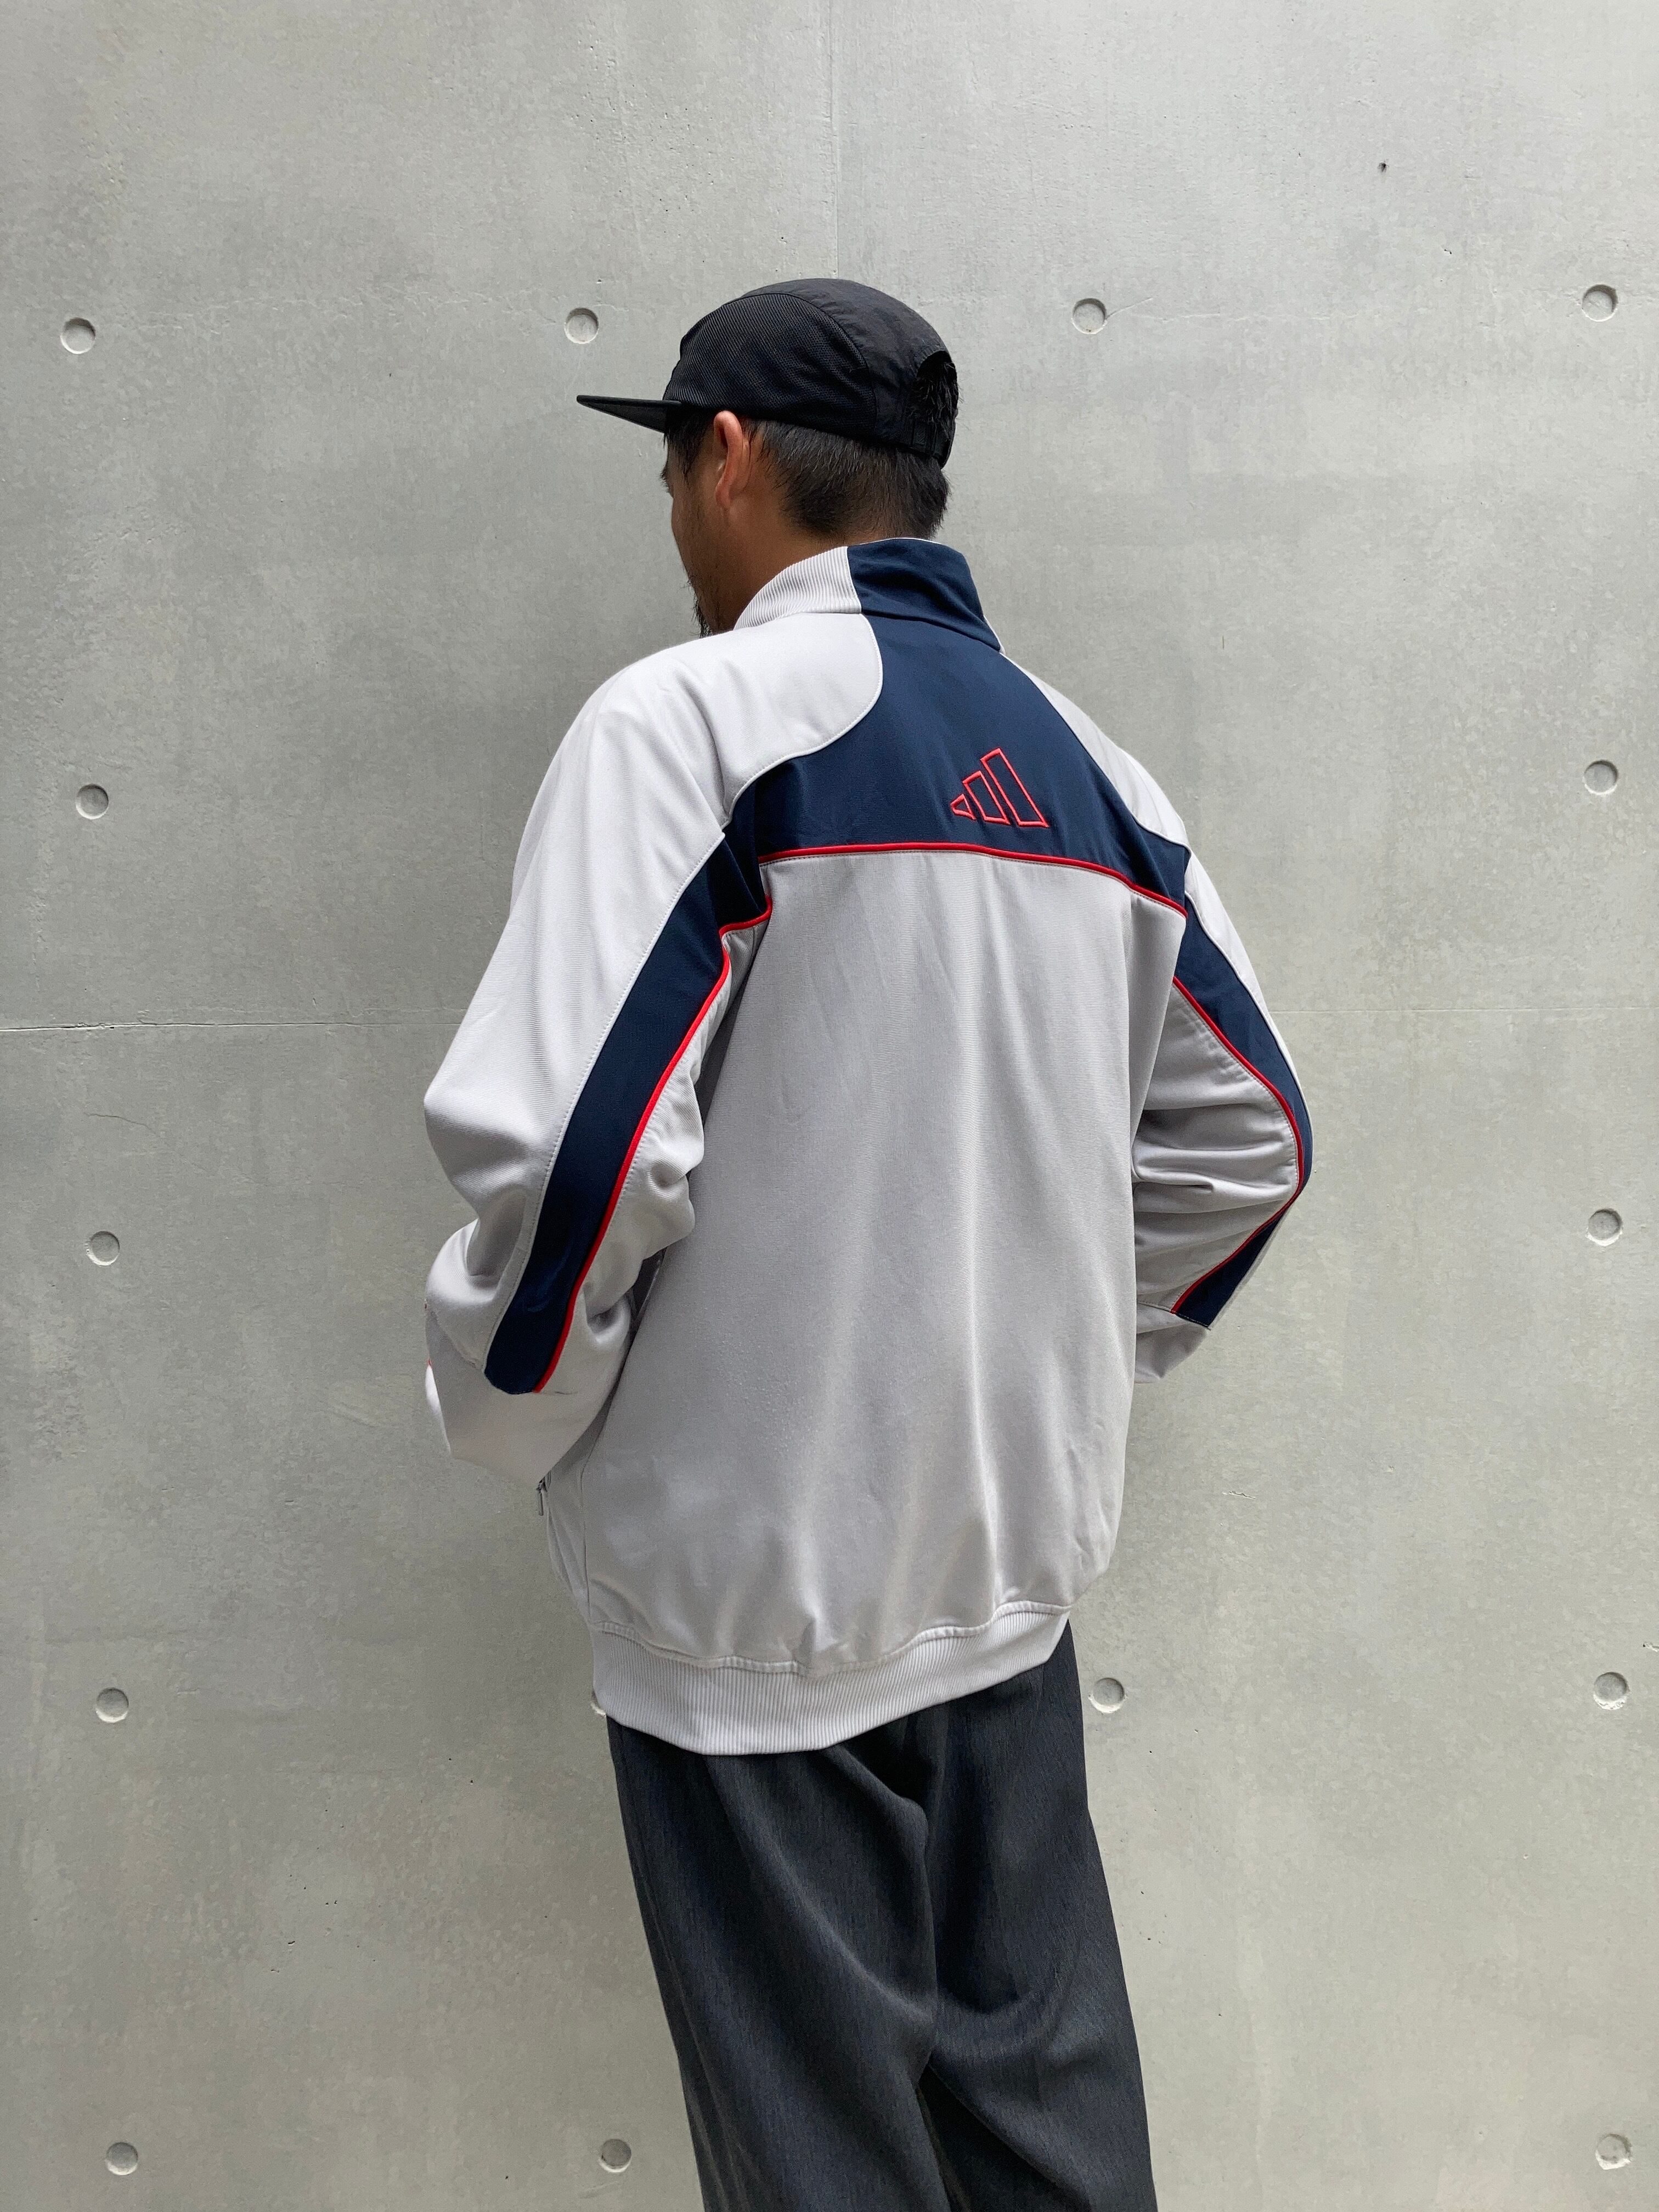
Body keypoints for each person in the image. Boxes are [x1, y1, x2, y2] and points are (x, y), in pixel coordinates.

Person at [421, 278, 1311, 2210]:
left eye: (674, 465)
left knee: (820, 2167)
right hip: (1007, 1581)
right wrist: (1058, 1336)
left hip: (747, 1611)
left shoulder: (689, 725)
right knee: (1050, 2146)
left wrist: (511, 1414)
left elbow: (580, 1156)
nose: (675, 512)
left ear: (731, 455)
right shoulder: (1092, 769)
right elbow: (1256, 1140)